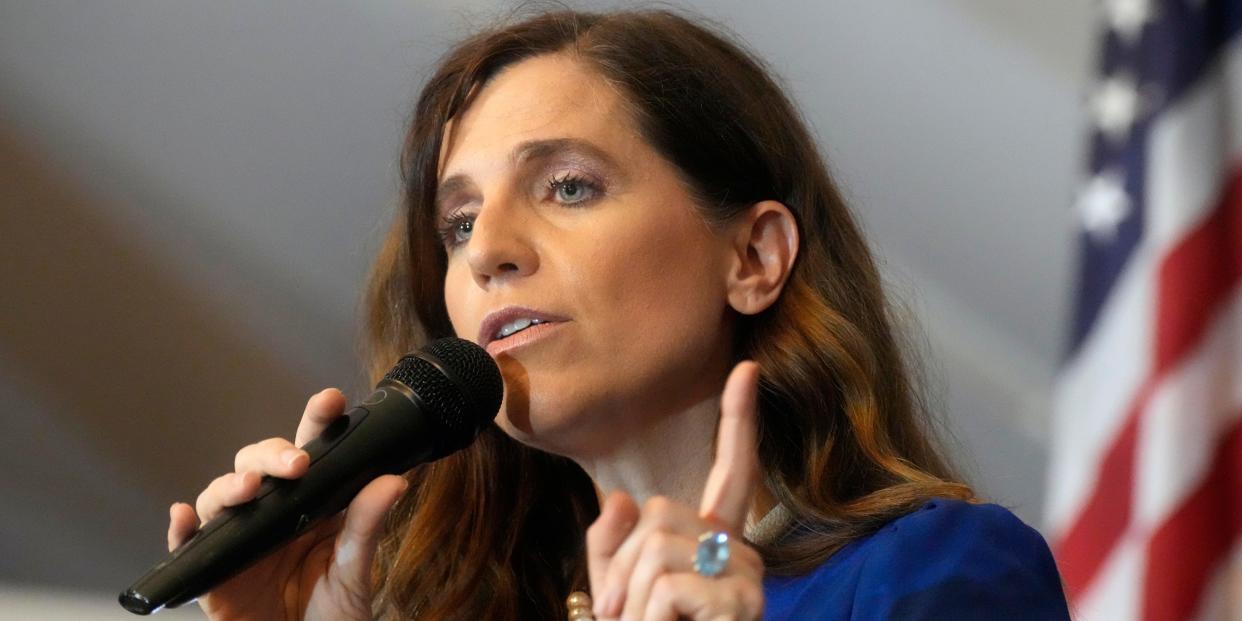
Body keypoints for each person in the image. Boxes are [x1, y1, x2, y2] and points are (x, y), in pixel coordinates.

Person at [165, 8, 1071, 620]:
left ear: (752, 258)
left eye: (567, 186)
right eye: (459, 221)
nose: (486, 252)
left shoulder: (935, 573)